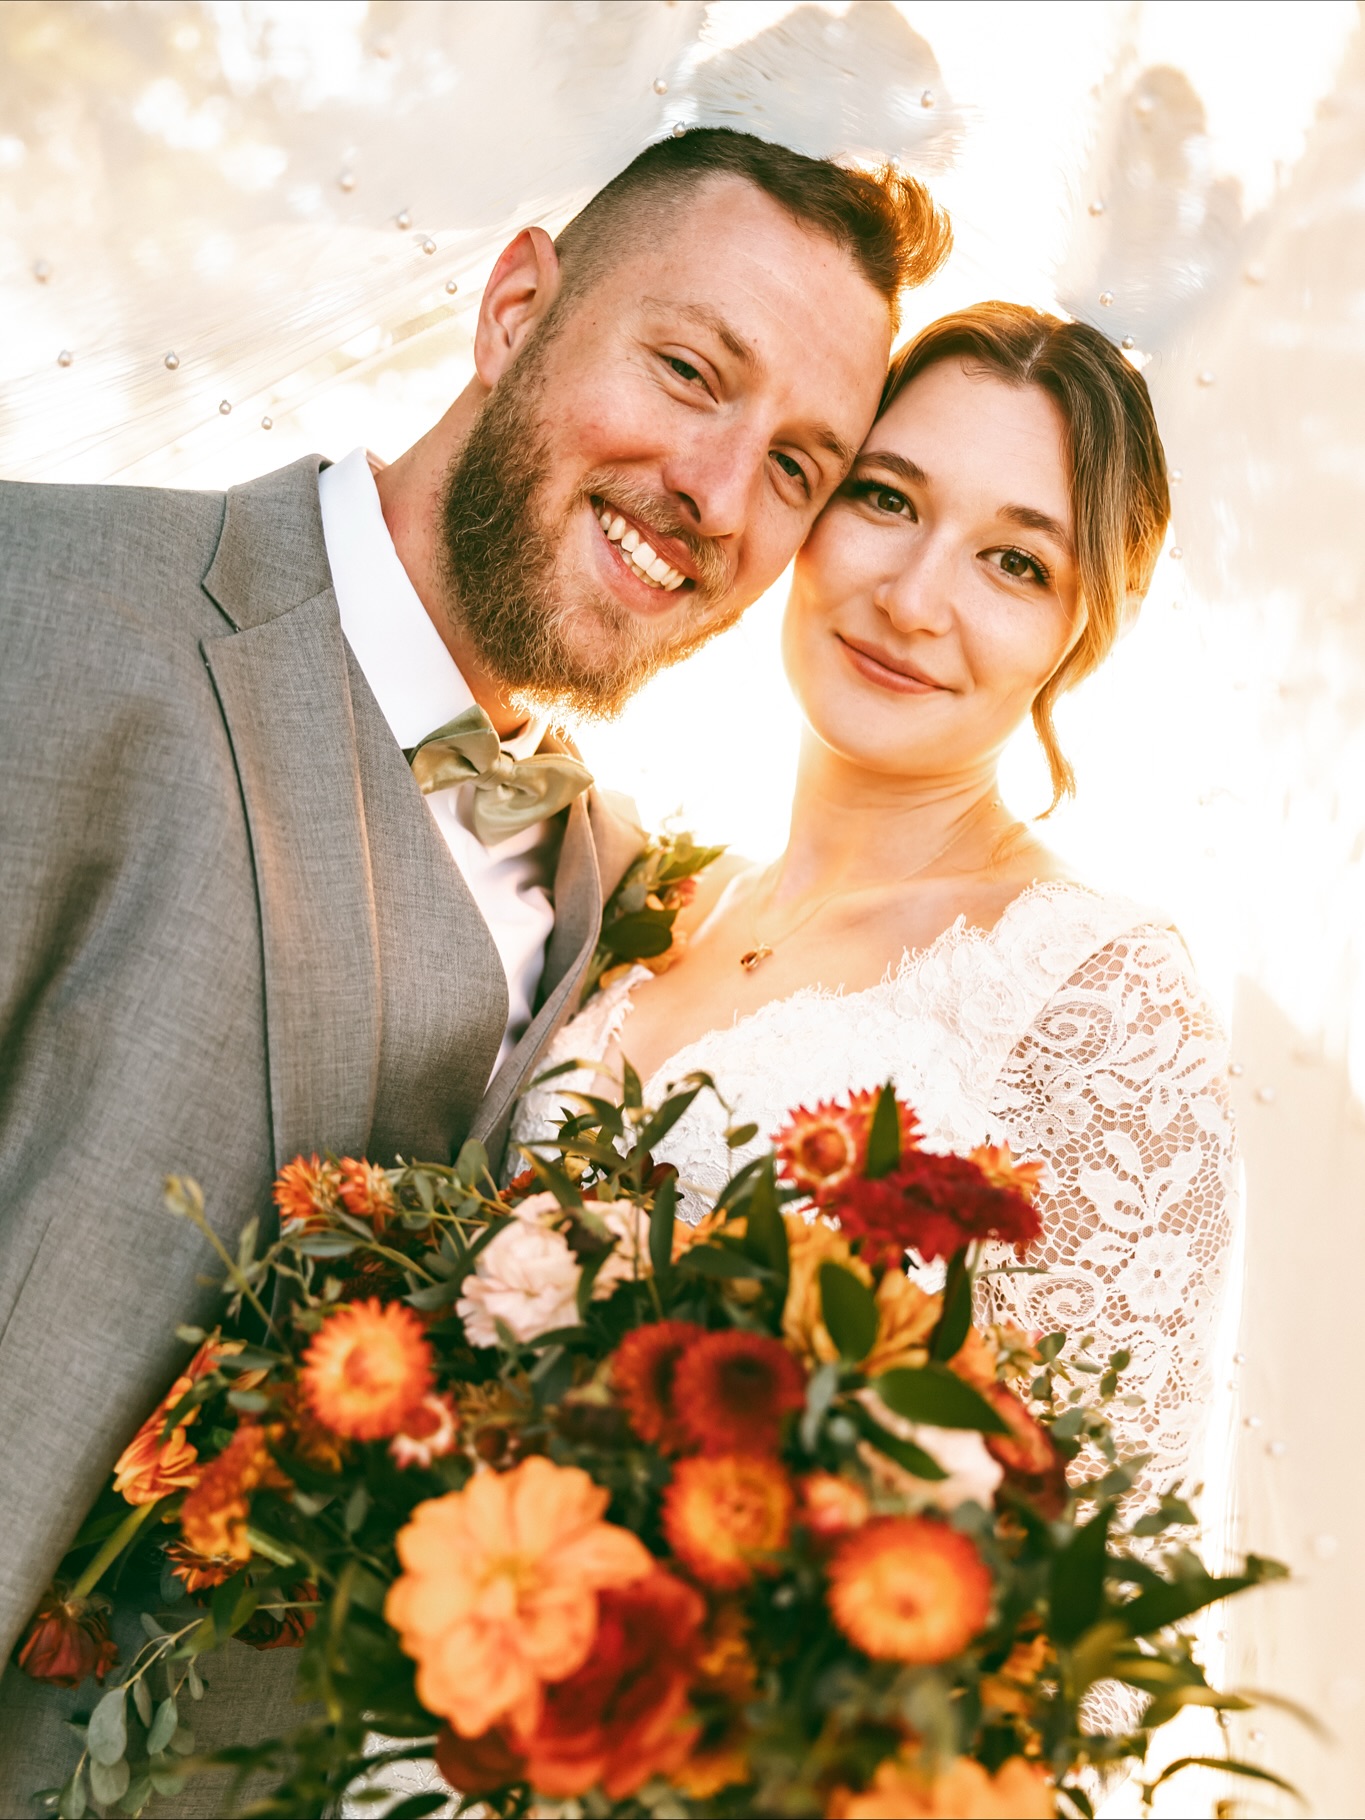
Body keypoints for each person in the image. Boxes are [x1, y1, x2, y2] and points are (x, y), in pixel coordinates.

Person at [0, 128, 949, 1812]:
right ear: (516, 305)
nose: (720, 500)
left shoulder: (616, 891)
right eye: (687, 370)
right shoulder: (47, 610)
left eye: (799, 466)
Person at [517, 301, 1236, 1492]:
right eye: (887, 498)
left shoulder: (1101, 996)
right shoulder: (650, 893)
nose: (912, 598)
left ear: (1083, 629)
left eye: (1016, 561)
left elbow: (1105, 1568)